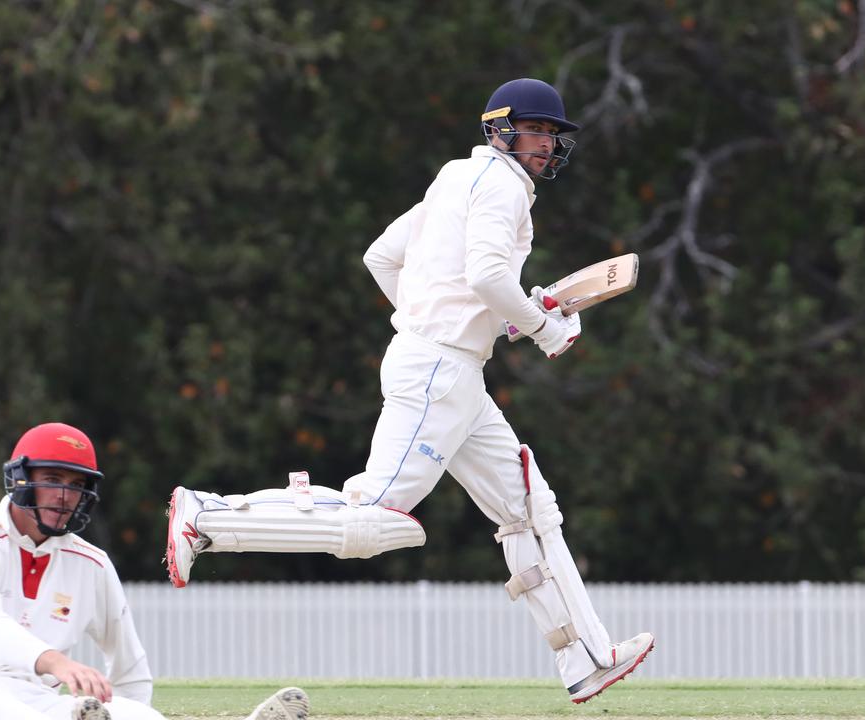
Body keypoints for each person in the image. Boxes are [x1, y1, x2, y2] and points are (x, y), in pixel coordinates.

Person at [165, 78, 654, 704]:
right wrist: (536, 328)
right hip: (438, 372)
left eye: (553, 136)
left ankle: (584, 658)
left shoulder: (454, 177)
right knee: (376, 518)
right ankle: (206, 516)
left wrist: (457, 319)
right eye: (538, 131)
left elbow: (382, 258)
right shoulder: (503, 187)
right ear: (501, 129)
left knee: (527, 507)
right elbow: (485, 274)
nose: (547, 145)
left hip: (448, 370)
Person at [0, 421, 310, 720]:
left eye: (76, 484)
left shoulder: (92, 563)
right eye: (51, 479)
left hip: (42, 704)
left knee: (139, 716)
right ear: (19, 478)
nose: (65, 495)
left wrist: (128, 713)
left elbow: (129, 668)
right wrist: (58, 664)